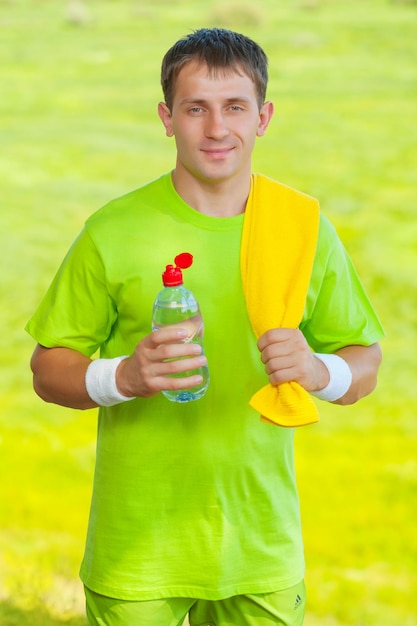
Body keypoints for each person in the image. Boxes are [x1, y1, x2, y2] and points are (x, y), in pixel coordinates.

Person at [26, 28, 384, 626]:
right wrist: (125, 376)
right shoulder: (112, 230)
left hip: (260, 548)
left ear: (264, 116)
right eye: (196, 108)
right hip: (137, 550)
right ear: (167, 117)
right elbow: (46, 369)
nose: (217, 129)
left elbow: (365, 364)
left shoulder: (302, 227)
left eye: (235, 107)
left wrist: (321, 370)